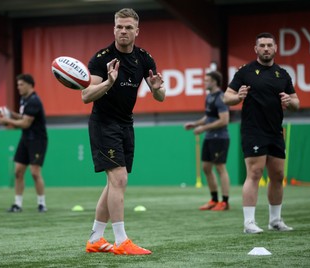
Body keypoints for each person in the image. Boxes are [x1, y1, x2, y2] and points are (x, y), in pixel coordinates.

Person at [82, 8, 165, 255]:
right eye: (119, 26)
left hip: (126, 124)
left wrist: (158, 89)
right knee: (119, 179)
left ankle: (95, 238)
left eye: (128, 27)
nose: (123, 31)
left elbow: (159, 97)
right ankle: (121, 241)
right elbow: (86, 96)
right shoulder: (101, 59)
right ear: (114, 28)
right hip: (103, 123)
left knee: (113, 184)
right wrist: (109, 82)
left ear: (137, 31)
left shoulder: (145, 58)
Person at [224, 32, 300, 234]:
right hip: (253, 130)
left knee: (278, 175)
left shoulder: (282, 74)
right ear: (256, 49)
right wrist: (237, 97)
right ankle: (249, 223)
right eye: (262, 45)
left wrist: (289, 102)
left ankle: (275, 220)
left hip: (275, 131)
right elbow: (227, 97)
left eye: (269, 45)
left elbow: (296, 102)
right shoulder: (245, 72)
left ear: (275, 48)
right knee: (255, 173)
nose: (266, 49)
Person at [0, 74, 48, 213]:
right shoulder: (24, 100)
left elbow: (25, 123)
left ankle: (42, 204)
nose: (18, 87)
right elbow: (23, 117)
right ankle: (17, 204)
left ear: (30, 85)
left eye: (21, 84)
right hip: (26, 139)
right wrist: (10, 113)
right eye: (18, 84)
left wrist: (6, 121)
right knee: (18, 172)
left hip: (37, 140)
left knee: (35, 173)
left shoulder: (34, 101)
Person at [184, 71, 231, 211]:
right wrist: (196, 124)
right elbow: (208, 116)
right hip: (210, 137)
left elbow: (224, 120)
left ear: (215, 82)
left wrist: (203, 128)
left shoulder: (221, 97)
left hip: (220, 138)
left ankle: (225, 202)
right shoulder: (209, 96)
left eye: (207, 80)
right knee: (206, 168)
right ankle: (214, 199)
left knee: (220, 168)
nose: (204, 82)